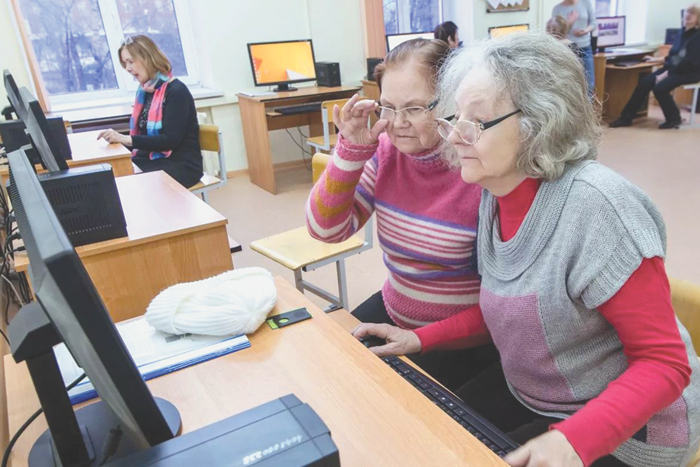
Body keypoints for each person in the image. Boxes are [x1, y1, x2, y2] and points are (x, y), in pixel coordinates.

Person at [354, 32, 700, 467]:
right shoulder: (495, 194)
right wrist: (419, 338)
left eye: (475, 122)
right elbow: (506, 307)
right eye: (453, 117)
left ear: (540, 123)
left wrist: (573, 440)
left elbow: (665, 365)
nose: (454, 136)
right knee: (427, 434)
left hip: (633, 430)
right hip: (539, 397)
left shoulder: (600, 209)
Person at [306, 39, 496, 391]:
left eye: (414, 108)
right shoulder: (385, 151)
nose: (396, 124)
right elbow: (325, 230)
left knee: (402, 412)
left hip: (464, 338)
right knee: (329, 372)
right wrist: (350, 152)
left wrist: (423, 338)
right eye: (387, 108)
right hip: (396, 311)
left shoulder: (479, 166)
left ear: (452, 102)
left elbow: (507, 307)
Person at [97, 35, 203, 188]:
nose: (127, 68)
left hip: (181, 165)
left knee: (128, 186)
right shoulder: (146, 91)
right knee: (113, 177)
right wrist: (116, 140)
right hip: (152, 159)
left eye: (130, 61)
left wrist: (124, 139)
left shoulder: (176, 91)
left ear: (147, 58)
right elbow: (143, 136)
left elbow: (170, 140)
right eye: (125, 63)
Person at [610, 5, 700, 129]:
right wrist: (656, 59)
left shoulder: (697, 37)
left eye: (693, 13)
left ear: (698, 18)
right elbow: (674, 57)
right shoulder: (681, 33)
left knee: (660, 88)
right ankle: (625, 118)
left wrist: (665, 74)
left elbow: (687, 62)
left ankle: (674, 118)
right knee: (645, 82)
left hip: (689, 72)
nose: (688, 15)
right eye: (687, 12)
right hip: (673, 69)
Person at [552, 0, 597, 95]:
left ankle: (587, 109)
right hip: (568, 50)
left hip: (585, 47)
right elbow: (555, 32)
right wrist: (569, 23)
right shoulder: (557, 9)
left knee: (590, 84)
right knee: (571, 85)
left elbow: (594, 23)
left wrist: (585, 31)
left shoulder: (586, 3)